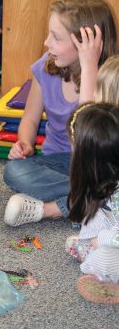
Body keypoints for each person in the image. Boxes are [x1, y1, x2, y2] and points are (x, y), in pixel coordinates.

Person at [3, 0, 118, 227]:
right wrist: (24, 144)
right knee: (14, 171)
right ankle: (94, 200)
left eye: (56, 37)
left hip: (96, 163)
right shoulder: (46, 67)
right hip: (59, 162)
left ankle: (53, 209)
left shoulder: (109, 77)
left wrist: (89, 67)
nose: (47, 42)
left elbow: (87, 140)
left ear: (86, 42)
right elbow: (30, 117)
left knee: (105, 180)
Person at [66, 103, 119, 304]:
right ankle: (90, 248)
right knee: (93, 214)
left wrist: (103, 240)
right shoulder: (109, 177)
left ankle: (109, 280)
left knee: (102, 259)